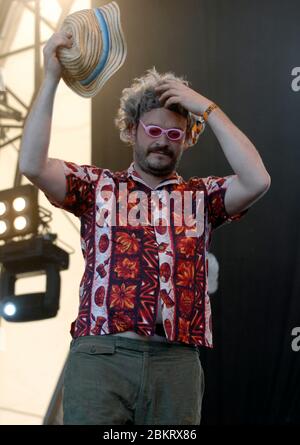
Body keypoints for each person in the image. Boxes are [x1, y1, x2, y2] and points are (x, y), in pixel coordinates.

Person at [19, 31, 271, 425]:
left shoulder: (201, 196)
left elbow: (257, 180)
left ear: (186, 141)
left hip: (176, 361)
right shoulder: (98, 186)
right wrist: (50, 76)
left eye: (174, 134)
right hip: (102, 355)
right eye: (153, 130)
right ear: (132, 130)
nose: (163, 142)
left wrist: (206, 109)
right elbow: (33, 165)